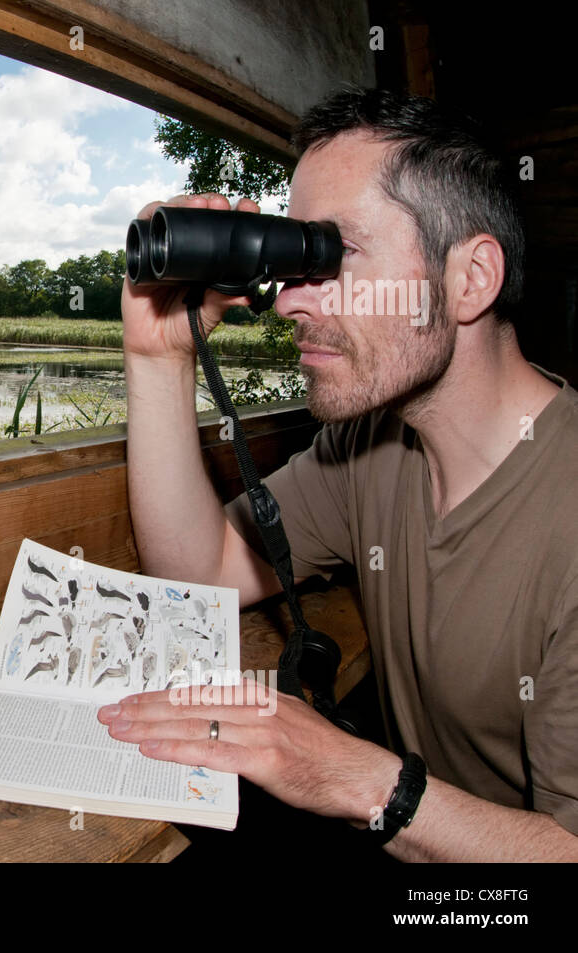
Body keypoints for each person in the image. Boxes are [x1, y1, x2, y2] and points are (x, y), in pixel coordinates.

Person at [96, 84, 578, 861]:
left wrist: (358, 778)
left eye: (334, 253)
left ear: (471, 278)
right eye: (297, 253)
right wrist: (158, 358)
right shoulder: (372, 447)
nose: (288, 302)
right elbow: (199, 570)